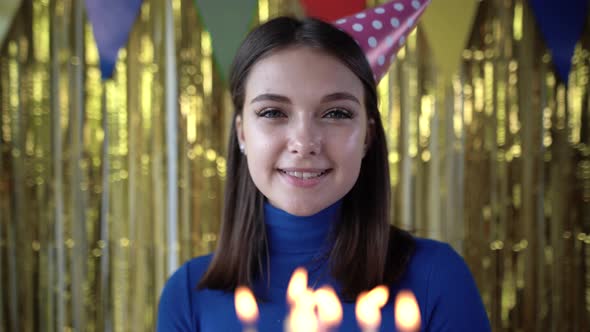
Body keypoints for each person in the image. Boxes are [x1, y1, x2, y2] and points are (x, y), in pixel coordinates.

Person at [157, 2, 491, 331]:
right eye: (273, 112)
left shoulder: (437, 279)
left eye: (336, 113)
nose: (304, 142)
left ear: (367, 136)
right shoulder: (187, 295)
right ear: (242, 132)